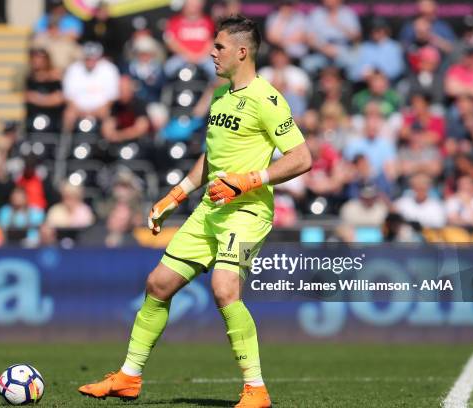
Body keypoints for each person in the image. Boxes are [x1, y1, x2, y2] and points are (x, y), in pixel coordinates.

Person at [78, 15, 312, 408]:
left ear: (242, 51)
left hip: (248, 212)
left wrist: (251, 180)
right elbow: (211, 159)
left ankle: (256, 389)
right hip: (209, 210)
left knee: (224, 288)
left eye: (219, 46)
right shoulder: (220, 97)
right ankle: (128, 378)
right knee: (158, 284)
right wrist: (174, 197)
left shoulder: (267, 98)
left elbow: (302, 157)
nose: (211, 52)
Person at [62, 42, 120, 133]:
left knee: (109, 119)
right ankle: (65, 144)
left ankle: (106, 145)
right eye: (88, 58)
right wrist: (81, 111)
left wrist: (94, 112)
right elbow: (68, 96)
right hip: (77, 109)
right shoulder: (73, 69)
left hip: (101, 109)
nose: (90, 61)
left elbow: (111, 98)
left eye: (93, 58)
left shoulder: (109, 69)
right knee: (68, 115)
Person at [163, 0, 216, 80]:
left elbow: (211, 41)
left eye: (196, 4)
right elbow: (171, 42)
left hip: (204, 57)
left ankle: (212, 91)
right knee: (168, 69)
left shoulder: (208, 21)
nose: (193, 7)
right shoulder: (175, 21)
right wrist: (188, 55)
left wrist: (200, 55)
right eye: (191, 4)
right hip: (182, 57)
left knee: (216, 70)